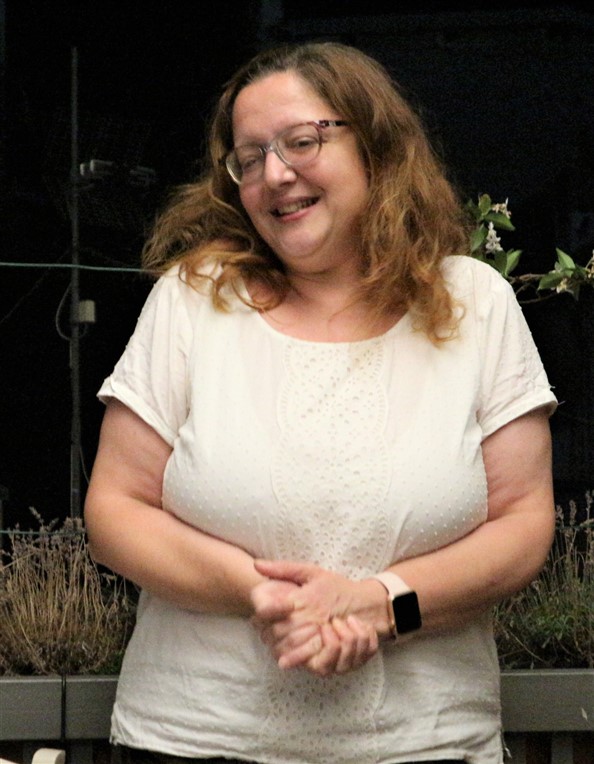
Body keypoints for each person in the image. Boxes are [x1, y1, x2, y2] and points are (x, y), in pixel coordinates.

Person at [84, 41, 557, 764]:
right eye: (249, 158)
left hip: (426, 745)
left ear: (375, 145)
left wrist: (385, 603)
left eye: (302, 141)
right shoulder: (194, 299)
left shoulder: (475, 303)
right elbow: (115, 511)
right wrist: (262, 596)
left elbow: (522, 524)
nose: (275, 174)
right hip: (194, 739)